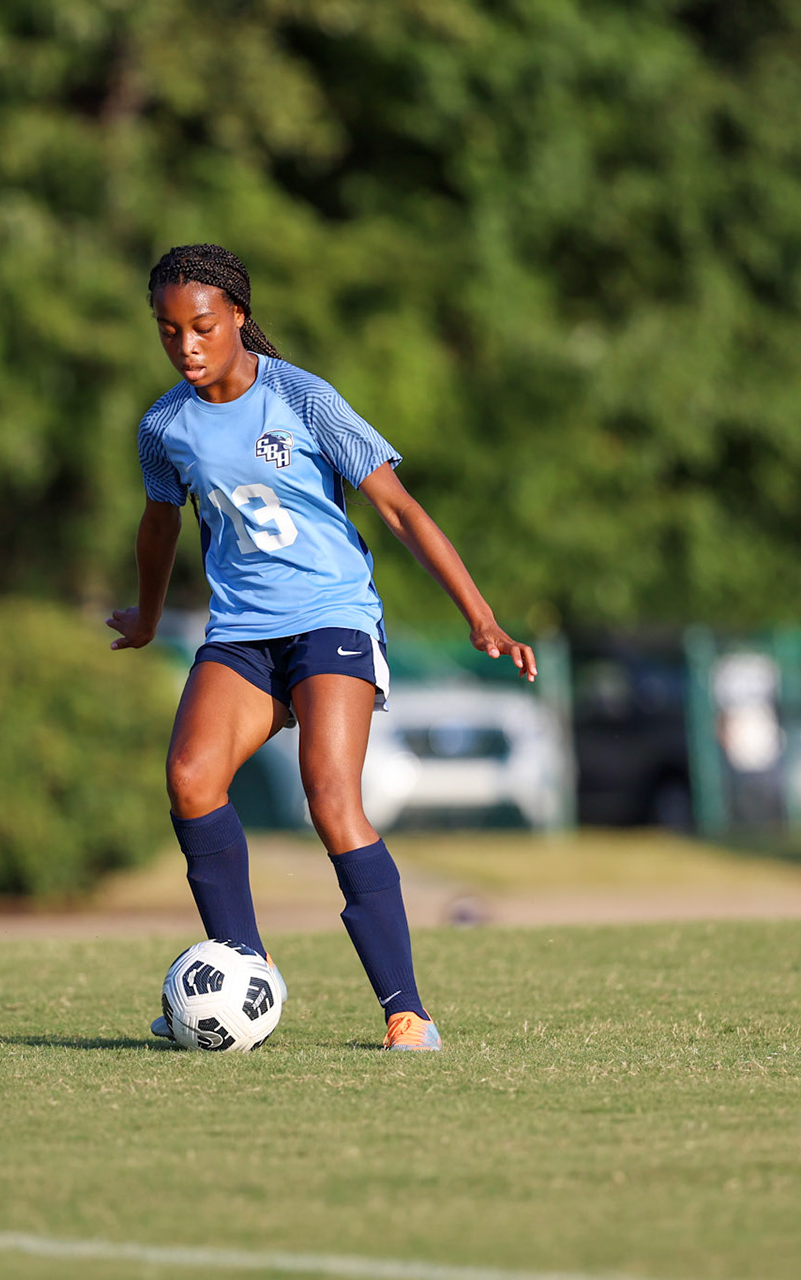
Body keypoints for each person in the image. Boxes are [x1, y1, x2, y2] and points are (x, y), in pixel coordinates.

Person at [108, 244, 536, 1051]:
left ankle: (407, 1012)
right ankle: (245, 970)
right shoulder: (163, 427)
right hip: (240, 632)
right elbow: (159, 526)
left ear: (237, 314)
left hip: (332, 618)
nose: (187, 347)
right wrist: (146, 615)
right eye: (169, 333)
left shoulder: (304, 398)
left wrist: (481, 615)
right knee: (192, 781)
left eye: (201, 327)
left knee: (331, 803)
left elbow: (401, 510)